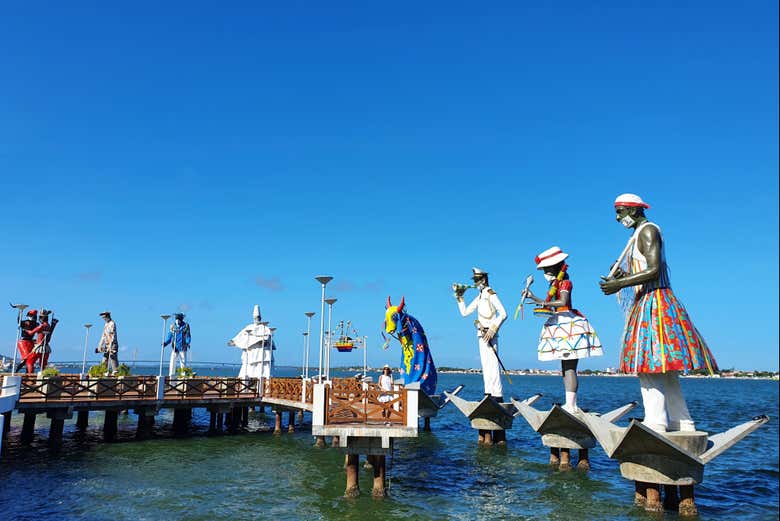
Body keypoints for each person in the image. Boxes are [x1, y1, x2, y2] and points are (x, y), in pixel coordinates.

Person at [599, 193, 718, 433]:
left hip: (655, 302)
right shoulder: (640, 234)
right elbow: (647, 268)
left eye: (620, 211)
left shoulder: (647, 231)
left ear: (634, 210)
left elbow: (653, 270)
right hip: (653, 301)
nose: (617, 217)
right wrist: (623, 277)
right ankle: (682, 421)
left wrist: (619, 284)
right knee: (666, 371)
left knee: (648, 366)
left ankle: (656, 422)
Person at [525, 247, 603, 413]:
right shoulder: (556, 284)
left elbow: (563, 302)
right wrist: (533, 298)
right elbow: (554, 305)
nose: (545, 272)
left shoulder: (565, 283)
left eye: (546, 268)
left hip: (568, 324)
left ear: (554, 267)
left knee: (569, 368)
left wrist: (541, 301)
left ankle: (572, 405)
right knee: (566, 368)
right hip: (562, 324)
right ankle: (570, 403)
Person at [454, 267, 508, 400]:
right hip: (481, 333)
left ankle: (497, 395)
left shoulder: (490, 294)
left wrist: (493, 328)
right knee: (485, 364)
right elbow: (465, 312)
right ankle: (488, 392)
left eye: (477, 280)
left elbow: (503, 313)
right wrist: (460, 298)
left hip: (490, 333)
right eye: (475, 280)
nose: (476, 283)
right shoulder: (479, 296)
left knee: (493, 363)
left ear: (484, 279)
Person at [228, 305, 274, 379]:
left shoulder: (265, 328)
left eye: (258, 318)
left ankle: (261, 383)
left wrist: (261, 340)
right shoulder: (249, 327)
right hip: (251, 353)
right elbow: (240, 335)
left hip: (261, 353)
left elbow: (268, 338)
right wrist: (234, 341)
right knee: (249, 368)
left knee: (261, 367)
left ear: (260, 318)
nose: (256, 319)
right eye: (255, 318)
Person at [163, 313, 191, 377]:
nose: (177, 321)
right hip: (175, 348)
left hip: (183, 347)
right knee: (172, 363)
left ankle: (183, 377)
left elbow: (188, 336)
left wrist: (188, 343)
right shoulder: (172, 326)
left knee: (183, 363)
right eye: (176, 319)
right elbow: (169, 337)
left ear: (181, 320)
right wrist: (165, 343)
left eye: (178, 319)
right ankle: (171, 377)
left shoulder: (186, 326)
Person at [96, 311, 120, 375]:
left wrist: (111, 345)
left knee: (112, 358)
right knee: (105, 359)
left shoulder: (112, 323)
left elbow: (113, 335)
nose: (103, 319)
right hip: (107, 344)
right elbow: (103, 335)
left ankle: (116, 371)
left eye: (104, 317)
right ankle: (103, 371)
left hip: (112, 344)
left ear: (107, 316)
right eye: (103, 317)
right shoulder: (106, 324)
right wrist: (100, 345)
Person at [16, 309, 39, 373]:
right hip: (23, 342)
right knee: (26, 358)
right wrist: (20, 311)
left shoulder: (36, 324)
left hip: (31, 342)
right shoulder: (25, 322)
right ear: (29, 315)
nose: (34, 317)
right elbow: (19, 321)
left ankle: (28, 373)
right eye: (32, 315)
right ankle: (15, 371)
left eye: (34, 315)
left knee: (30, 359)